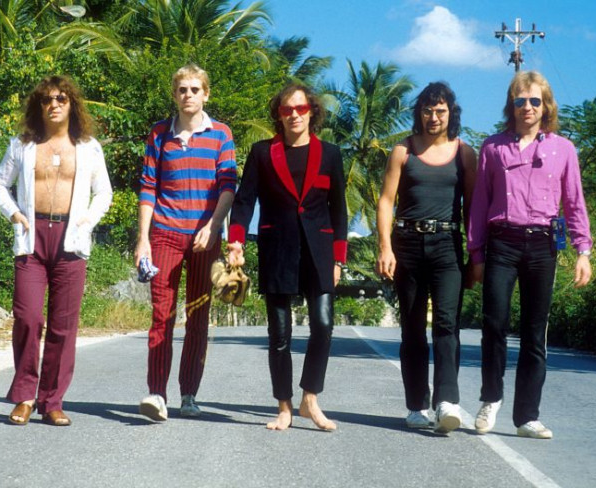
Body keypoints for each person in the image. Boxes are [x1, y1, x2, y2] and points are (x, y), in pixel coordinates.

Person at [467, 71, 593, 439]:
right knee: (494, 322)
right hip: (502, 242)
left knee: (535, 331)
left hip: (542, 244)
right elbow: (480, 203)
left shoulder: (563, 149)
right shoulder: (493, 147)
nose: (528, 107)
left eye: (535, 101)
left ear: (546, 106)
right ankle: (491, 398)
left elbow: (573, 201)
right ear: (511, 105)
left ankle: (527, 417)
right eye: (520, 101)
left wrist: (582, 251)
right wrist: (476, 251)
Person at [0, 75, 113, 426]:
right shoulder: (23, 145)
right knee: (28, 317)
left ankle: (52, 400)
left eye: (61, 98)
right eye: (46, 99)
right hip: (32, 237)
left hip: (71, 238)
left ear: (72, 104)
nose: (54, 105)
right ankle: (25, 396)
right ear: (38, 105)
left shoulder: (88, 147)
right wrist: (13, 213)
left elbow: (104, 192)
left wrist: (87, 220)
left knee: (64, 325)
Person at [227, 84, 348, 431]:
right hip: (277, 249)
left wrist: (338, 259)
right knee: (279, 334)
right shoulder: (262, 153)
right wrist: (236, 241)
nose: (294, 114)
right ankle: (284, 406)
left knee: (323, 325)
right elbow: (244, 200)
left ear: (312, 111)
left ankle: (310, 398)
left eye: (300, 108)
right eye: (286, 110)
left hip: (319, 251)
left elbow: (339, 209)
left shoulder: (330, 154)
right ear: (278, 115)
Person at [136, 63, 237, 421]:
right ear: (174, 94)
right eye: (182, 89)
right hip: (165, 234)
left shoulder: (221, 134)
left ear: (206, 94)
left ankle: (189, 393)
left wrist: (214, 225)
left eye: (195, 89)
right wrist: (143, 239)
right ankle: (156, 394)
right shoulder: (159, 134)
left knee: (197, 316)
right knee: (161, 315)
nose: (188, 95)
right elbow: (148, 187)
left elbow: (228, 185)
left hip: (205, 239)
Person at [376, 82, 477, 434]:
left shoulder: (465, 153)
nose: (434, 117)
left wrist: (476, 256)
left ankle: (447, 401)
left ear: (451, 113)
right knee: (413, 328)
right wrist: (385, 247)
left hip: (448, 245)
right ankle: (417, 405)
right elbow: (386, 201)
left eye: (440, 111)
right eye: (427, 111)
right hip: (407, 244)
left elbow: (472, 208)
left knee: (447, 325)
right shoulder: (402, 151)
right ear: (419, 113)